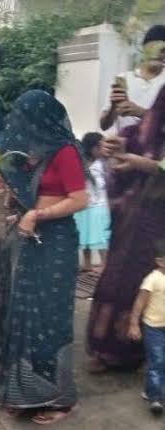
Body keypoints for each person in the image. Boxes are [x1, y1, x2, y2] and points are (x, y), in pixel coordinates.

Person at [0, 90, 88, 425]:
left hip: (56, 242)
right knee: (24, 313)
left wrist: (38, 216)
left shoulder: (64, 152)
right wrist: (20, 214)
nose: (16, 122)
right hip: (30, 238)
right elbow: (34, 196)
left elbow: (79, 199)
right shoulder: (35, 155)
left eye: (22, 115)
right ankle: (26, 392)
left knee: (49, 317)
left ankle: (60, 399)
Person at [88, 85, 165, 372]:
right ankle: (106, 347)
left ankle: (144, 352)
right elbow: (121, 149)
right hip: (132, 220)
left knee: (153, 286)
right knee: (117, 279)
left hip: (159, 225)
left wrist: (144, 164)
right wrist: (116, 150)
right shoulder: (145, 132)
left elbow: (151, 165)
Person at [99, 24, 165, 133]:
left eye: (163, 50)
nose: (158, 54)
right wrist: (113, 107)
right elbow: (104, 125)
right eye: (154, 48)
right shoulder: (123, 79)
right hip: (122, 148)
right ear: (144, 49)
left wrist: (141, 112)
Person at [127, 243, 165, 415]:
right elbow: (140, 303)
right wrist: (134, 324)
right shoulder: (153, 279)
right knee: (156, 360)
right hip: (154, 328)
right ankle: (155, 397)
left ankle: (153, 387)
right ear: (160, 262)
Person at [72, 132, 110, 272]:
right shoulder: (82, 163)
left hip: (99, 205)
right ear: (93, 148)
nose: (105, 149)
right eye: (102, 146)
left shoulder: (103, 164)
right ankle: (87, 263)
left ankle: (105, 263)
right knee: (85, 235)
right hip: (84, 205)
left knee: (101, 237)